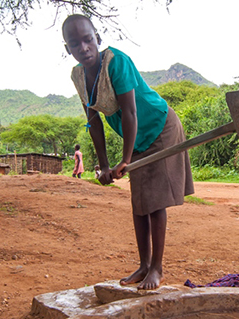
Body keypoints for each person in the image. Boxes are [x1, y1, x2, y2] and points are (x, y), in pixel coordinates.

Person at [62, 14, 194, 290]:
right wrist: (104, 166)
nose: (83, 48)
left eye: (88, 40)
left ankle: (157, 268)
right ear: (68, 49)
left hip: (160, 127)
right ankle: (144, 265)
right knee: (139, 202)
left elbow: (130, 113)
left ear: (97, 39)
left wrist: (125, 159)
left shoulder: (116, 62)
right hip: (136, 138)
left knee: (154, 200)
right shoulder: (78, 76)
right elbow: (94, 121)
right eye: (75, 44)